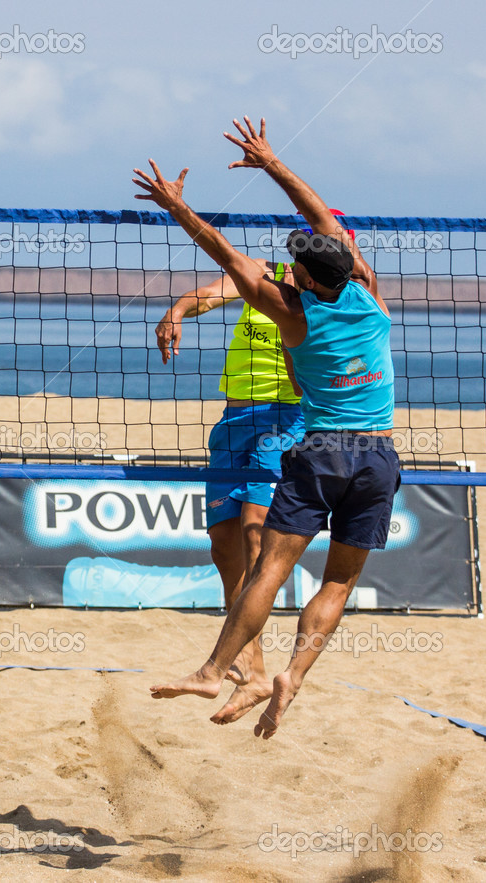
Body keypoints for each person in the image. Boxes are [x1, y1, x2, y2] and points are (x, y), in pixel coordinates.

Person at [133, 116, 399, 738]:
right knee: (337, 583)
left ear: (303, 278)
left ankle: (213, 668)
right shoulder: (369, 293)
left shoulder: (288, 311)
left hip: (320, 452)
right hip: (379, 455)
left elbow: (222, 252)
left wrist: (177, 205)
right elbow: (325, 227)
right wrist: (275, 164)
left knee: (270, 569)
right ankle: (294, 676)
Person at [156, 261, 304, 724]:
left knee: (256, 537)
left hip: (284, 419)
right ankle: (252, 666)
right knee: (224, 546)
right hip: (233, 420)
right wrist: (178, 309)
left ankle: (228, 664)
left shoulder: (336, 294)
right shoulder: (267, 272)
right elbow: (212, 294)